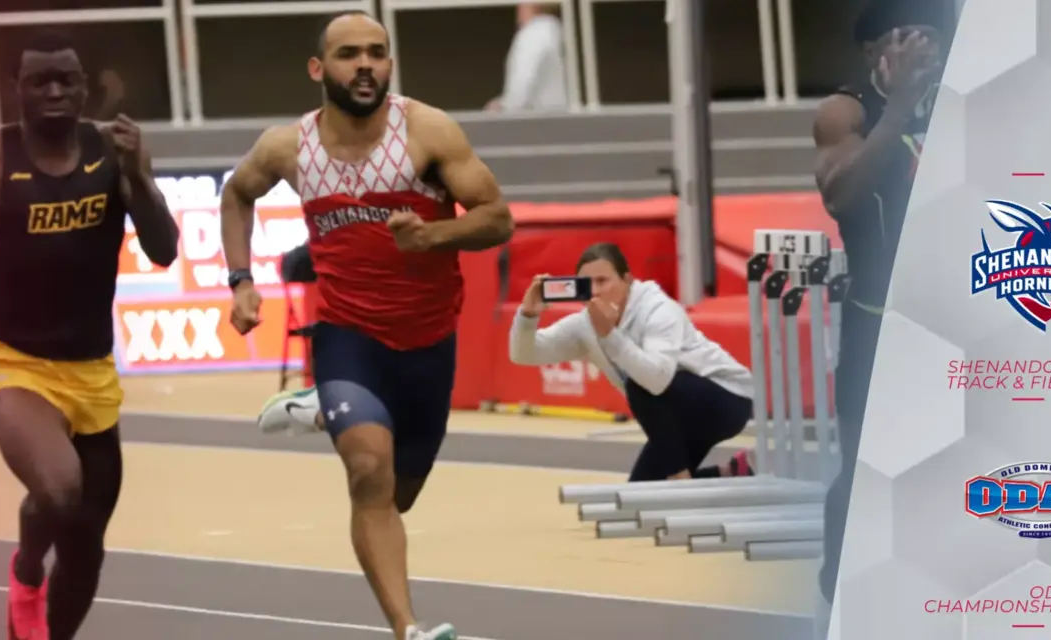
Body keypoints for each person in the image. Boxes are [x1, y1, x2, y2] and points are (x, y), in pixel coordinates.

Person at [219, 11, 512, 640]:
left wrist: (433, 234)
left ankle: (322, 409)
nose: (365, 65)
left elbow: (496, 218)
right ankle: (408, 628)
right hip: (349, 337)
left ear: (390, 65)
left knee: (398, 495)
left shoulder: (427, 133)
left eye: (377, 53)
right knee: (367, 476)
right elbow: (238, 192)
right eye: (349, 54)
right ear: (318, 70)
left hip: (428, 340)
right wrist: (240, 281)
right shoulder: (288, 146)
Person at [0, 30, 178, 640]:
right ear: (16, 89)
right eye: (39, 81)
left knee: (86, 549)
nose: (54, 91)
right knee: (58, 490)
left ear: (85, 86)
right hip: (12, 363)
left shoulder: (114, 149)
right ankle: (26, 568)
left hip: (92, 371)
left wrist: (139, 177)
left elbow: (163, 251)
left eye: (66, 80)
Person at [811, 0, 945, 635]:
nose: (923, 49)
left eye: (931, 37)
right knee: (864, 473)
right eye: (906, 38)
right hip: (877, 321)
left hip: (952, 325)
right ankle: (836, 603)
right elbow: (841, 194)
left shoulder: (965, 97)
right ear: (874, 53)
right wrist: (899, 109)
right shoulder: (848, 110)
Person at [510, 243, 755, 481]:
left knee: (638, 386)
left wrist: (610, 336)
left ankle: (679, 479)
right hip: (676, 416)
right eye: (586, 284)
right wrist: (527, 315)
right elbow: (524, 354)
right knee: (639, 496)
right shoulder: (584, 325)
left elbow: (657, 380)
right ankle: (732, 473)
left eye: (603, 281)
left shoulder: (658, 309)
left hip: (728, 398)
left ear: (627, 281)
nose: (595, 291)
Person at [484, 3, 568, 113]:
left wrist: (504, 107)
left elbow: (523, 79)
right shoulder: (553, 31)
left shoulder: (535, 33)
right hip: (555, 115)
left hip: (538, 121)